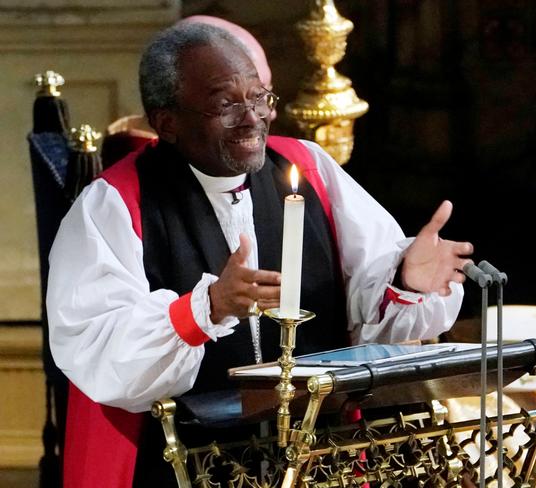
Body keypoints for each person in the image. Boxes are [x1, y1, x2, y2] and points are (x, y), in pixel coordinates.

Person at [46, 22, 473, 488]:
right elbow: (95, 347)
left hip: (317, 458)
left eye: (259, 97)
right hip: (181, 465)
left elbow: (365, 306)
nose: (252, 118)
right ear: (166, 121)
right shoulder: (113, 203)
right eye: (225, 103)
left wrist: (407, 281)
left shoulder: (306, 168)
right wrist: (204, 309)